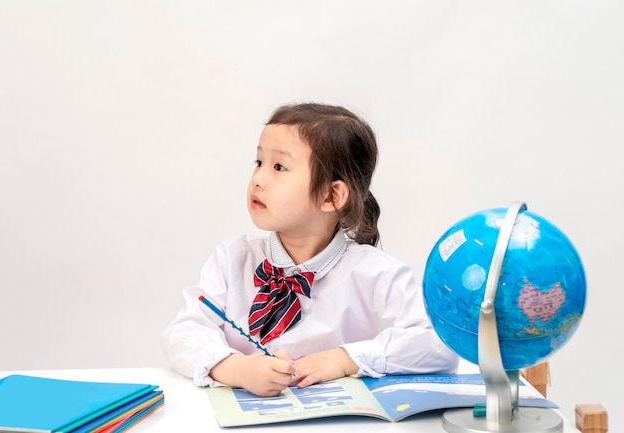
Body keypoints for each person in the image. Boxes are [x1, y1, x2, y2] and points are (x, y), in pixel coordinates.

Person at [161, 102, 458, 396]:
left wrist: (343, 359)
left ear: (331, 195)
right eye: (259, 163)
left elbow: (440, 344)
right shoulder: (231, 260)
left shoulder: (377, 274)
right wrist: (236, 368)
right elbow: (182, 333)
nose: (258, 179)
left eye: (279, 167)